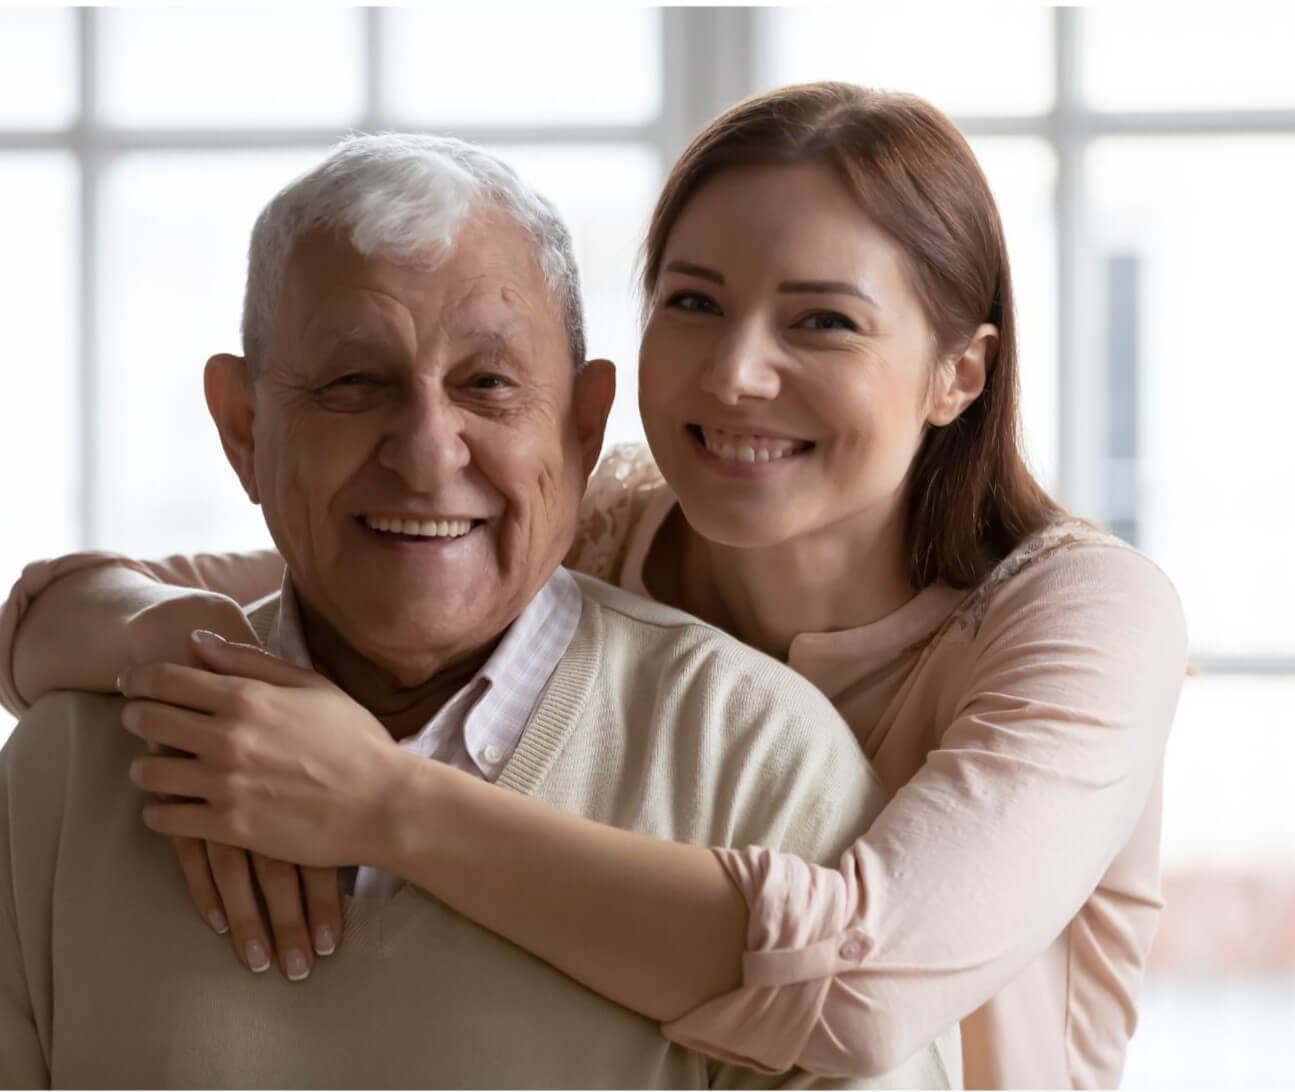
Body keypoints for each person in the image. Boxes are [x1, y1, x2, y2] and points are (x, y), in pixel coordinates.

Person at [0, 83, 1187, 1089]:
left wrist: (380, 803)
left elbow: (854, 991)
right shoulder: (587, 526)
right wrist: (178, 647)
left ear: (956, 374)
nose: (734, 373)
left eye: (822, 320)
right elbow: (91, 606)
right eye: (693, 302)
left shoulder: (1075, 617)